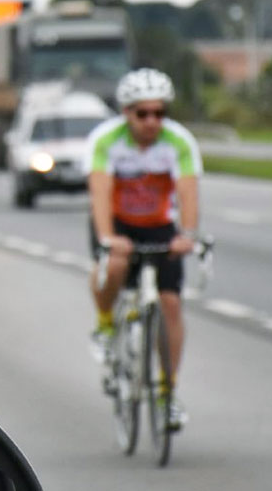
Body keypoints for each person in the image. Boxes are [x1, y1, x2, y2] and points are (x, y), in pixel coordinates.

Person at [85, 68, 202, 430]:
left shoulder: (178, 141)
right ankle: (106, 326)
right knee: (115, 264)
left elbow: (188, 192)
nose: (152, 121)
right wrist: (108, 237)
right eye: (143, 113)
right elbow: (99, 194)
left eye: (159, 112)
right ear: (126, 113)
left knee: (171, 304)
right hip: (118, 224)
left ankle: (167, 393)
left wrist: (188, 234)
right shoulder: (106, 140)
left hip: (159, 225)